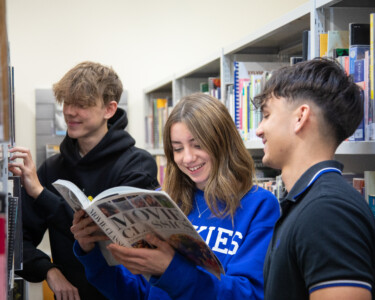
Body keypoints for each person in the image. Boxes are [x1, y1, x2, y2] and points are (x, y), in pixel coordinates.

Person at [70, 93, 280, 300]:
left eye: (198, 145)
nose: (187, 158)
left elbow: (248, 294)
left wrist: (170, 269)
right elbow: (136, 292)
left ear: (222, 142)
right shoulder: (161, 202)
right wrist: (91, 252)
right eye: (177, 148)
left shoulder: (259, 205)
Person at [8, 61, 159, 300]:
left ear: (109, 109)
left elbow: (106, 236)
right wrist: (50, 271)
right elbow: (17, 243)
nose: (69, 111)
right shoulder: (52, 168)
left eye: (82, 104)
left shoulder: (137, 165)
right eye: (67, 102)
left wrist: (40, 193)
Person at [255, 58, 375, 300]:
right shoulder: (309, 202)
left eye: (267, 115)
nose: (259, 129)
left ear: (300, 117)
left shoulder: (328, 212)